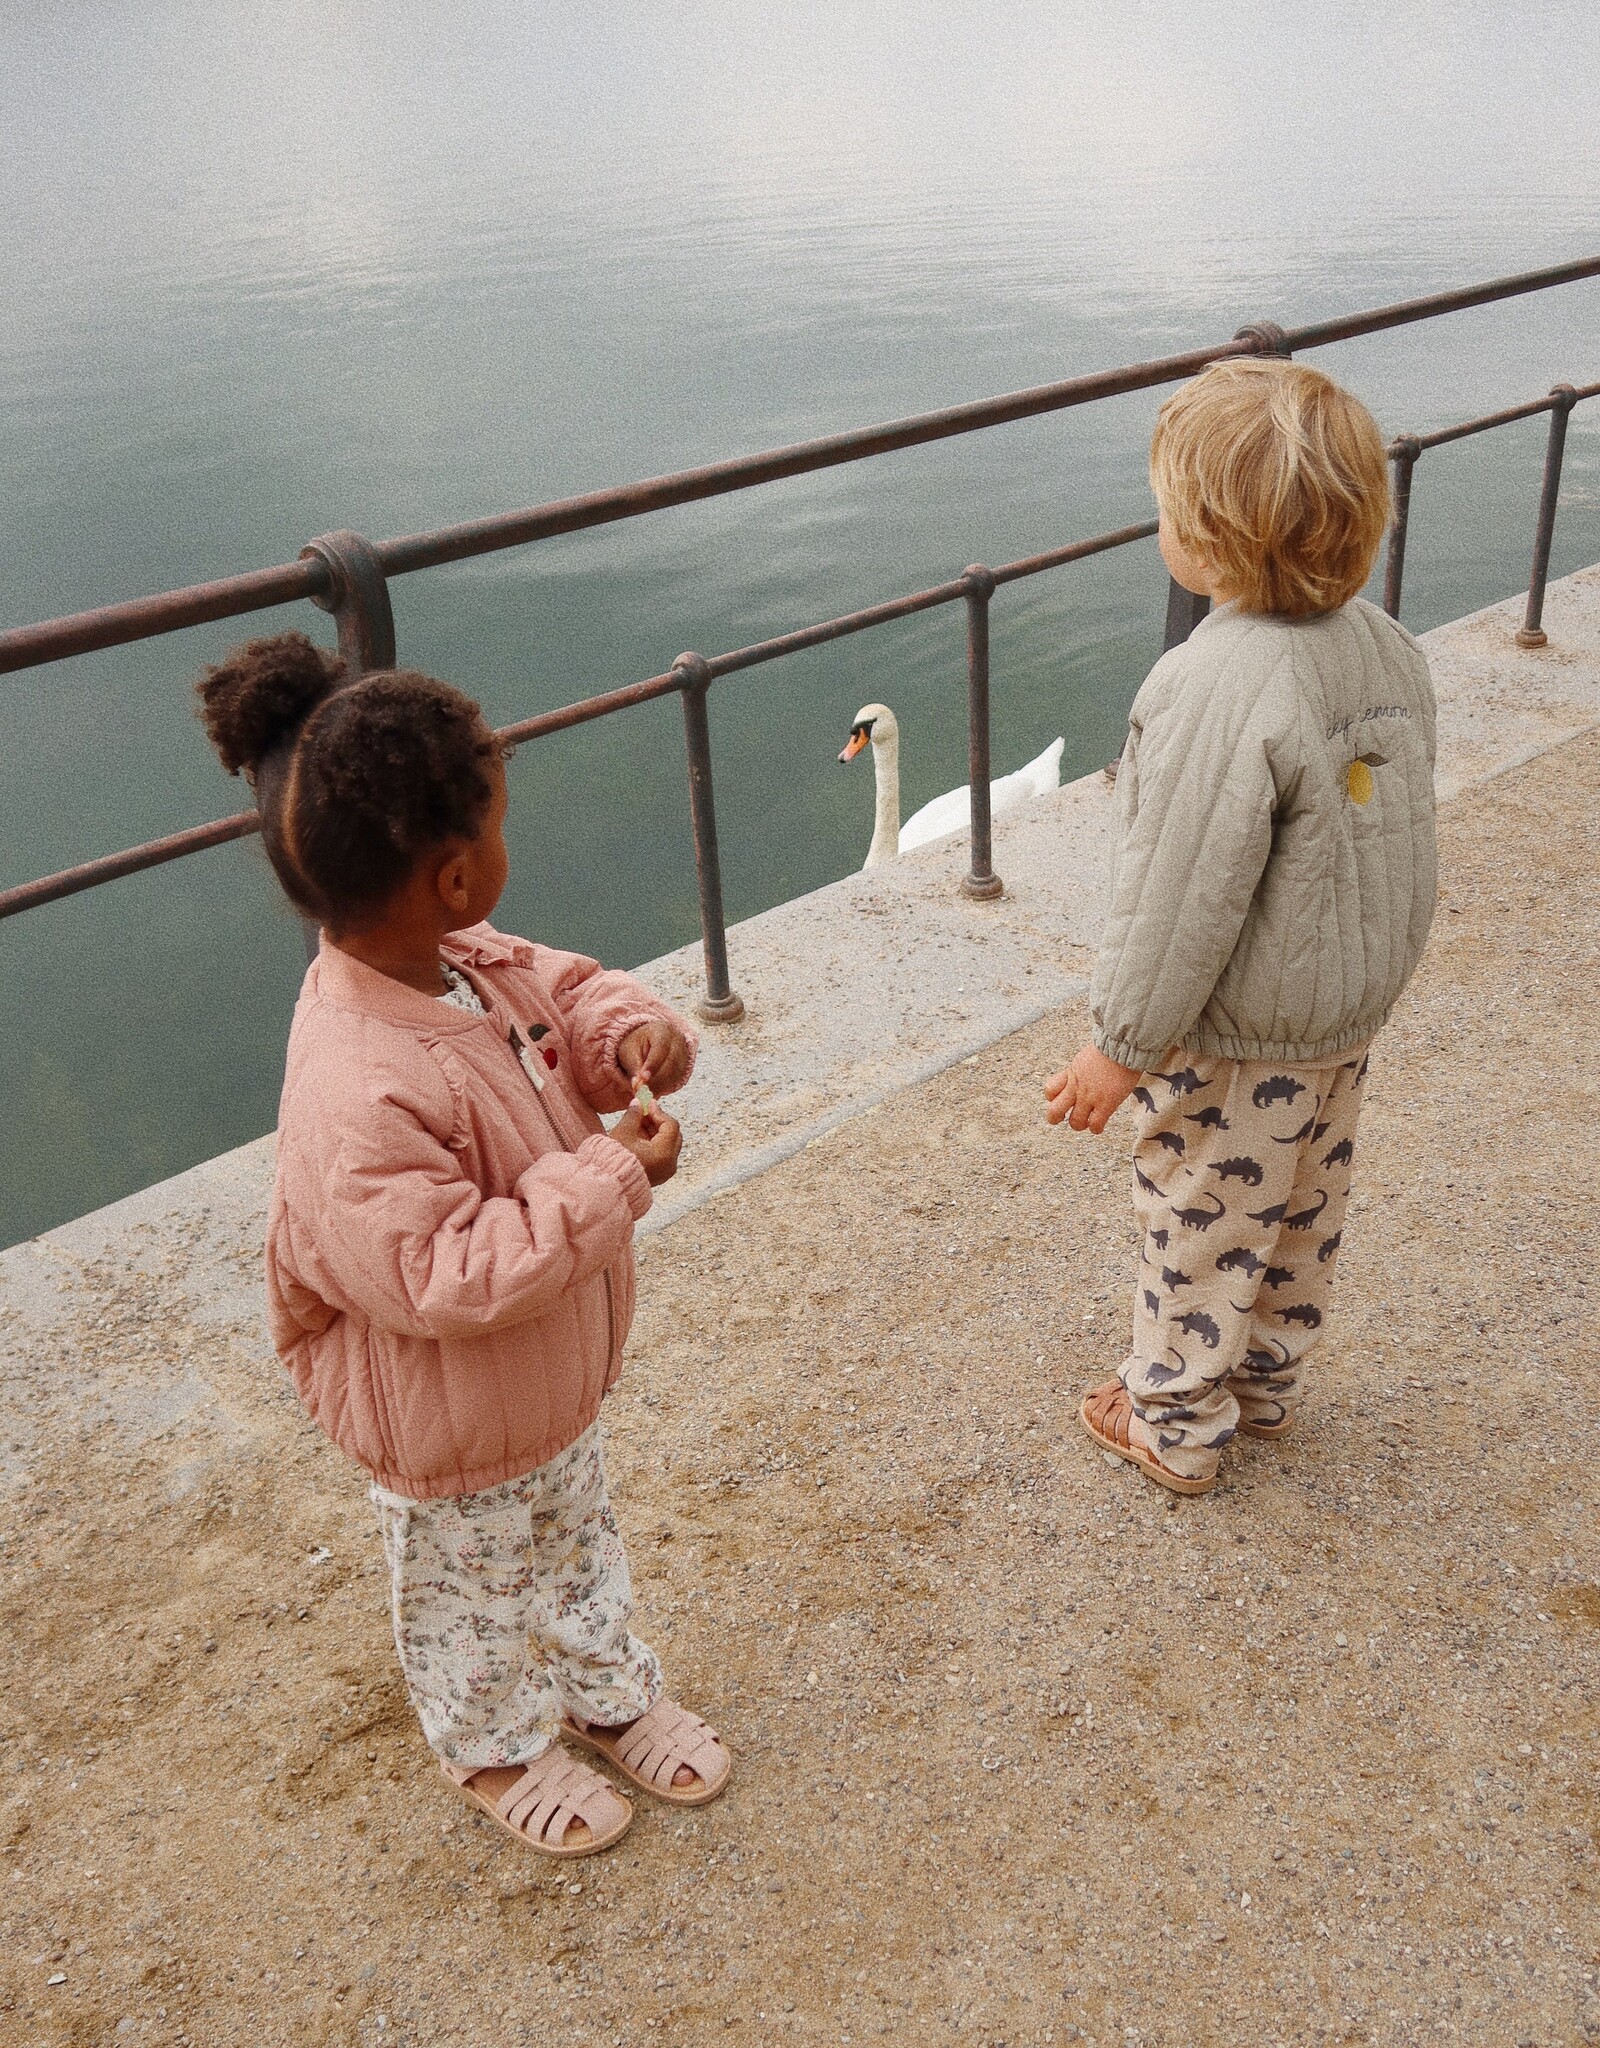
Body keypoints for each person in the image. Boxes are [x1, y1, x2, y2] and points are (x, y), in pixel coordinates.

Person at [196, 633, 730, 1856]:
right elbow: (443, 1272)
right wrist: (610, 1172)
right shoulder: (353, 1086)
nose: (506, 847)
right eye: (495, 824)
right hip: (442, 1416)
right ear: (449, 872)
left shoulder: (465, 958)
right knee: (470, 1599)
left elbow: (565, 991)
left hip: (542, 1379)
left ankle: (604, 1688)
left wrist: (627, 1034)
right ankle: (493, 1744)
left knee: (574, 1540)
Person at [1044, 358, 1437, 1496]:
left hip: (1237, 1030)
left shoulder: (1209, 684)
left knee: (1199, 1213)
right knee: (1304, 1204)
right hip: (1341, 1013)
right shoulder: (1383, 647)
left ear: (1208, 538)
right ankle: (1260, 1381)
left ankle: (1171, 1416)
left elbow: (1179, 895)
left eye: (1169, 509)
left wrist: (1120, 1044)